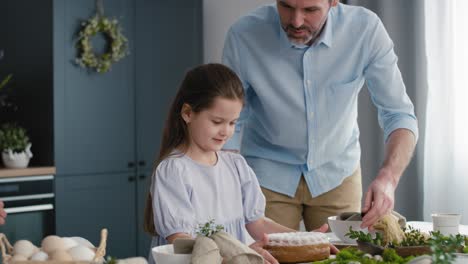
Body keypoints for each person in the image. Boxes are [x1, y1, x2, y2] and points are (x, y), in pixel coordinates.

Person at [222, 0, 418, 232]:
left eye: (310, 10)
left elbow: (399, 114)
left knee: (345, 257)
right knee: (272, 256)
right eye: (286, 6)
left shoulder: (365, 30)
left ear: (333, 2)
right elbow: (230, 117)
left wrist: (388, 178)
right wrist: (228, 180)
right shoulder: (244, 35)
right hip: (266, 175)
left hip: (337, 172)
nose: (296, 21)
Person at [143, 63, 334, 264]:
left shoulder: (236, 165)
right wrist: (237, 257)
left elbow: (257, 224)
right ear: (188, 113)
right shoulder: (173, 171)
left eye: (233, 122)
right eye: (217, 122)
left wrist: (304, 240)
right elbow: (181, 242)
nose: (226, 131)